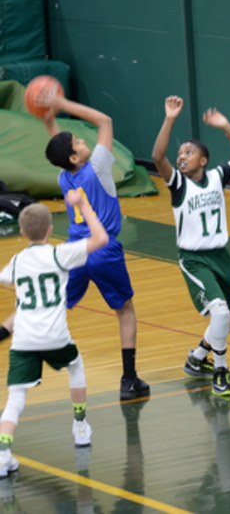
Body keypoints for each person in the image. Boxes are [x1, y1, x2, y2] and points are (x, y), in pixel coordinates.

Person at [31, 90, 149, 401]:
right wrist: (62, 104)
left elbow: (61, 152)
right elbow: (104, 121)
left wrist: (50, 122)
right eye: (79, 143)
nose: (85, 142)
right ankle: (129, 379)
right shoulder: (98, 166)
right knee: (125, 310)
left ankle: (32, 358)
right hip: (103, 249)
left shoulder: (64, 177)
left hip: (74, 253)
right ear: (75, 157)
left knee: (56, 307)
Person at [152, 96, 230, 398]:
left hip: (221, 256)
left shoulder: (217, 177)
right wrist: (169, 119)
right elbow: (158, 156)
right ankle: (220, 370)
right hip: (194, 259)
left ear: (203, 160)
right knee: (220, 313)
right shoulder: (178, 184)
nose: (181, 157)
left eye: (189, 152)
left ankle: (197, 359)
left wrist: (225, 125)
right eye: (180, 153)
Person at [0, 192, 109, 477]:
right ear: (50, 229)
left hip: (24, 339)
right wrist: (82, 204)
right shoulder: (59, 254)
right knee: (75, 366)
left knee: (16, 397)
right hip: (55, 336)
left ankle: (3, 454)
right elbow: (100, 238)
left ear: (22, 232)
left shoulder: (17, 262)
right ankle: (80, 426)